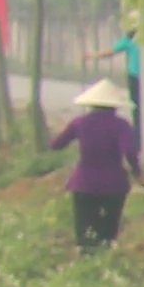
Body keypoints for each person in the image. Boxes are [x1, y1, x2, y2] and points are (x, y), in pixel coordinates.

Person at [55, 77, 138, 253]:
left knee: (84, 226)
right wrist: (138, 173)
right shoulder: (121, 125)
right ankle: (105, 254)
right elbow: (129, 152)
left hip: (84, 183)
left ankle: (86, 257)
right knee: (109, 227)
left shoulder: (80, 123)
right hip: (114, 184)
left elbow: (56, 145)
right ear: (115, 106)